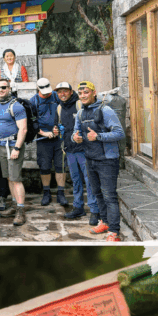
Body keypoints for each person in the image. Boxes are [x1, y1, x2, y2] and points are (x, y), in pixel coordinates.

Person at [72, 81, 125, 242]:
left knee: (109, 195)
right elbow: (75, 133)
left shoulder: (106, 110)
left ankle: (114, 232)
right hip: (90, 158)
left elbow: (119, 133)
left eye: (86, 92)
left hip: (107, 160)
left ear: (94, 93)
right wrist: (76, 138)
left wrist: (99, 136)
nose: (83, 96)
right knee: (97, 194)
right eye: (80, 93)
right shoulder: (81, 113)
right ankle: (105, 222)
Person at [0, 80, 28, 226]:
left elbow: (23, 129)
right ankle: (14, 204)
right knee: (9, 178)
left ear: (9, 88)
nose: (0, 90)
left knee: (16, 178)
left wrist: (17, 148)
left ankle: (21, 210)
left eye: (3, 87)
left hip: (13, 146)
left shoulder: (16, 106)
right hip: (2, 146)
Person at [57, 82, 98, 224]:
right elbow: (64, 128)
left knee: (89, 180)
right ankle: (78, 207)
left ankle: (94, 210)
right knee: (76, 181)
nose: (62, 94)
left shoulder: (79, 104)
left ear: (70, 91)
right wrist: (59, 132)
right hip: (70, 150)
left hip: (84, 150)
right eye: (59, 92)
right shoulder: (59, 108)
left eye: (65, 91)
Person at [30, 78, 65, 206]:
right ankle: (46, 193)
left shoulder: (57, 97)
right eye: (43, 92)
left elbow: (64, 113)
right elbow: (31, 123)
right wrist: (43, 133)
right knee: (44, 167)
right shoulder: (33, 101)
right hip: (43, 139)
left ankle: (61, 193)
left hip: (59, 138)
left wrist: (59, 127)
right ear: (38, 89)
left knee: (60, 166)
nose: (46, 94)